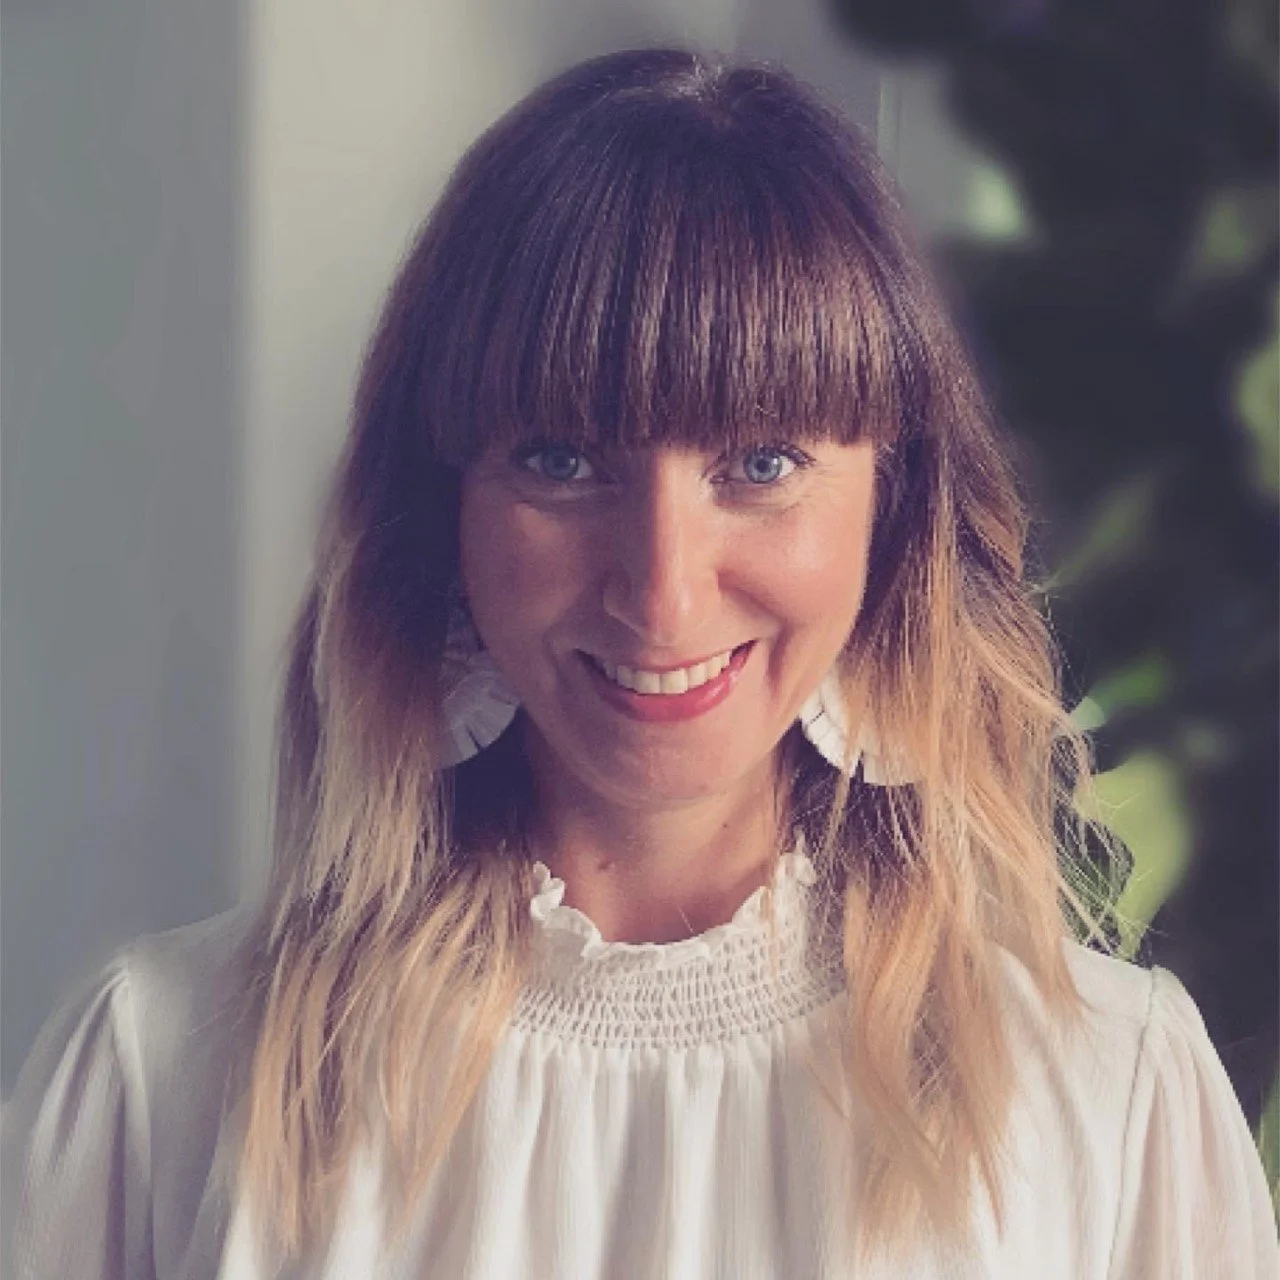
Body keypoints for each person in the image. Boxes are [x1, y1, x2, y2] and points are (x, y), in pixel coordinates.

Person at [2, 46, 1275, 1280]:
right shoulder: (156, 1074)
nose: (661, 590)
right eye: (561, 457)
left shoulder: (1114, 1096)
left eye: (760, 461)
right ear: (440, 510)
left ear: (891, 515)